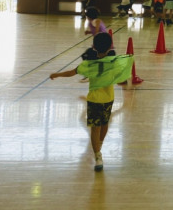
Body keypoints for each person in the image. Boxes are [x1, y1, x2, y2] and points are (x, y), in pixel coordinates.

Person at [50, 32, 133, 172]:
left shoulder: (89, 64)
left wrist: (57, 74)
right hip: (107, 99)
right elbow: (121, 78)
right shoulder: (113, 63)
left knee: (97, 127)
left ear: (94, 47)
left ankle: (98, 153)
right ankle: (98, 148)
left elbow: (72, 72)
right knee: (103, 125)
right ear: (110, 47)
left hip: (96, 100)